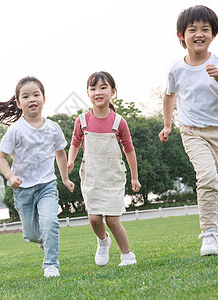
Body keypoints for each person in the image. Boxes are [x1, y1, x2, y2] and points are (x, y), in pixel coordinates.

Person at [158, 5, 218, 256]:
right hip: (192, 131)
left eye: (205, 29)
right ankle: (209, 234)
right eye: (192, 29)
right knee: (207, 177)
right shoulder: (176, 68)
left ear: (213, 34)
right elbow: (168, 95)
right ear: (180, 35)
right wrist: (167, 124)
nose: (199, 34)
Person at [0, 76, 75, 278]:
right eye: (25, 96)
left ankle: (51, 265)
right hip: (23, 190)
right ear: (19, 103)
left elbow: (60, 153)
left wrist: (64, 178)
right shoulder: (15, 130)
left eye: (36, 94)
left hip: (47, 185)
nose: (32, 99)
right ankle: (44, 242)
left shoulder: (53, 127)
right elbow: (1, 158)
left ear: (44, 98)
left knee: (50, 223)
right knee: (32, 234)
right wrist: (10, 177)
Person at [67, 71, 141, 267]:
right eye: (93, 88)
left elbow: (129, 150)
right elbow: (75, 143)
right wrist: (70, 160)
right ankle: (102, 240)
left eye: (103, 87)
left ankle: (127, 255)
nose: (97, 92)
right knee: (93, 218)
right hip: (91, 175)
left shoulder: (119, 122)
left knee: (112, 219)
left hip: (112, 175)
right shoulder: (82, 120)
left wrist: (135, 177)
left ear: (113, 92)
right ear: (88, 93)